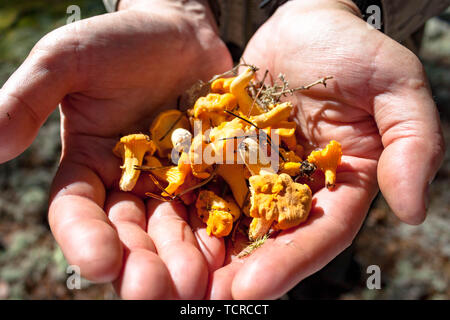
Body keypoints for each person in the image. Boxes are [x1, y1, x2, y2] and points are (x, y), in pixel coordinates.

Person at [0, 0, 447, 299]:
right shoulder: (205, 143)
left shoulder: (267, 153)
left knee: (316, 257)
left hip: (327, 107)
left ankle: (325, 284)